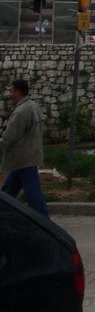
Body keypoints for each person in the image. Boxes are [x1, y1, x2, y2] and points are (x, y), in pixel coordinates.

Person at [0, 79, 48, 218]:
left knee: (33, 195)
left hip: (23, 158)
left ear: (18, 91)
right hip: (28, 156)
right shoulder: (33, 106)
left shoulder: (20, 112)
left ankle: (43, 221)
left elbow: (9, 138)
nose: (10, 93)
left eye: (11, 90)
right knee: (9, 190)